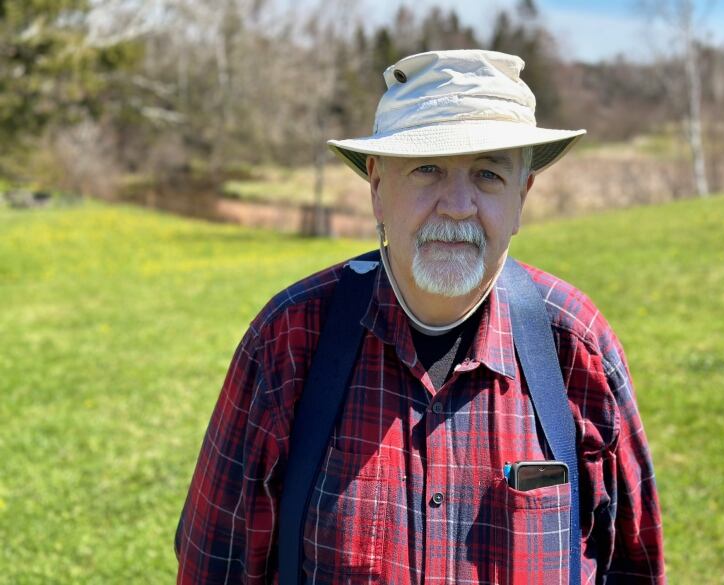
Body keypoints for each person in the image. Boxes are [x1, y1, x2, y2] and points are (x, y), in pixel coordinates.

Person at [175, 50, 664, 584]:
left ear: (521, 197)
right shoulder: (289, 341)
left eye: (488, 174)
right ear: (378, 187)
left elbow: (633, 569)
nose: (457, 204)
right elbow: (213, 566)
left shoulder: (576, 347)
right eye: (427, 169)